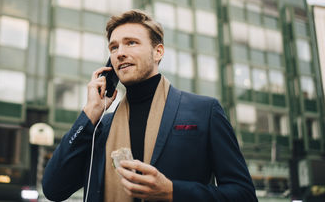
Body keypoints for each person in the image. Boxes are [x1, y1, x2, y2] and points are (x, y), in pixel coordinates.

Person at [42, 10, 258, 202]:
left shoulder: (204, 111)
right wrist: (90, 113)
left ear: (158, 52)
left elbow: (244, 194)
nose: (119, 53)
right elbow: (53, 189)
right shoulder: (101, 126)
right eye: (114, 47)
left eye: (131, 43)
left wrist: (172, 191)